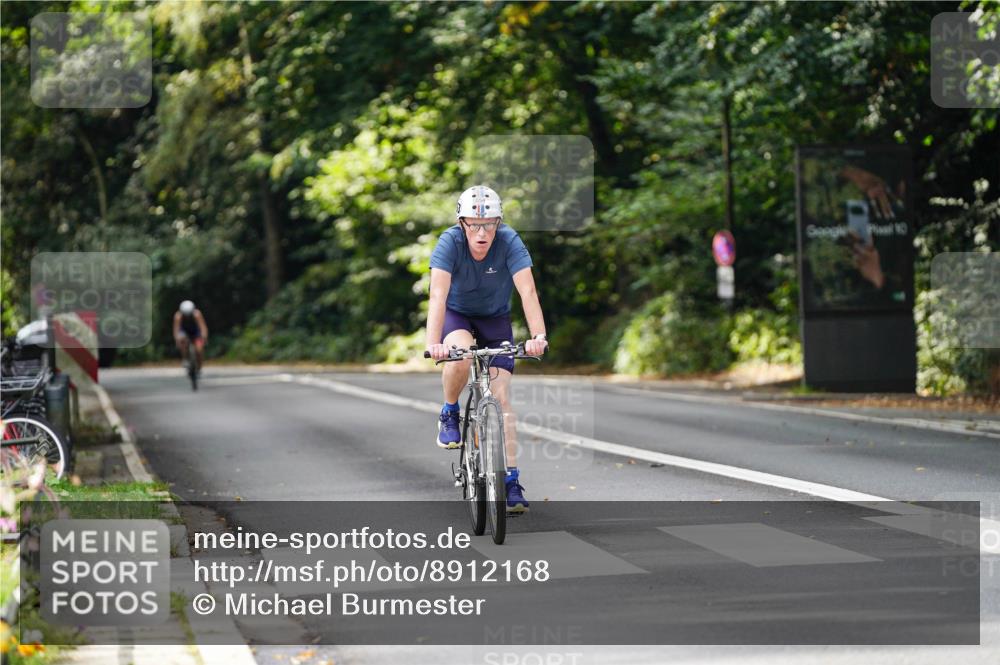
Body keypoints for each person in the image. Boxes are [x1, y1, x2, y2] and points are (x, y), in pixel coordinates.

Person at [425, 185, 548, 513]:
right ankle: (450, 411)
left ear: (499, 222)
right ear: (461, 223)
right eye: (474, 224)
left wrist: (538, 336)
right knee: (461, 357)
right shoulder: (449, 243)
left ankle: (510, 480)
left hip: (495, 319)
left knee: (502, 397)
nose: (482, 232)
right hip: (457, 315)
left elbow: (528, 292)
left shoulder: (510, 241)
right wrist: (434, 344)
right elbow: (437, 296)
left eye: (490, 224)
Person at [173, 300, 208, 373]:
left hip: (195, 332)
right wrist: (177, 340)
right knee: (182, 340)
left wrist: (204, 337)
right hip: (184, 331)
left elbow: (203, 327)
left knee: (199, 350)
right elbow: (176, 329)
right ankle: (185, 358)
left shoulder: (197, 314)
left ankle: (199, 366)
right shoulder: (178, 316)